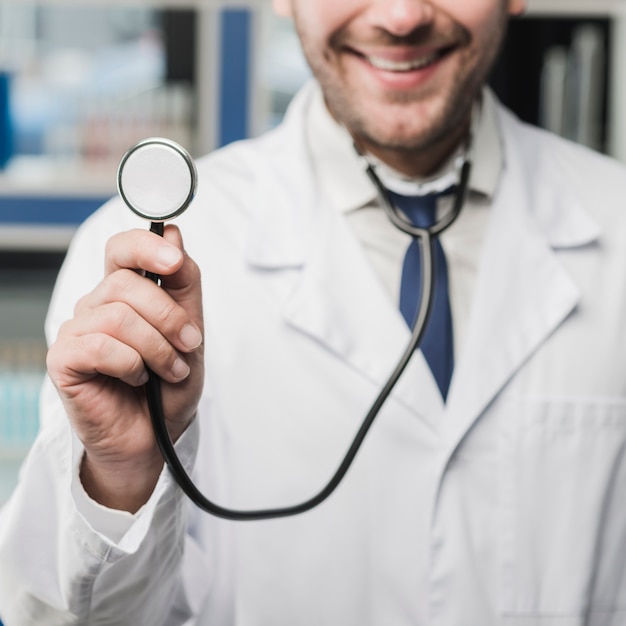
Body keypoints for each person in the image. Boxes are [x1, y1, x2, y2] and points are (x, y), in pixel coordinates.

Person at [2, 0, 626, 623]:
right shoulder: (131, 265)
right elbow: (64, 617)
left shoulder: (614, 225)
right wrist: (123, 478)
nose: (402, 17)